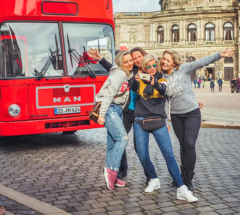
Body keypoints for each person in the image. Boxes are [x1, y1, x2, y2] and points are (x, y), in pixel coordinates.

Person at [159, 48, 234, 191]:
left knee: (189, 144)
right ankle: (181, 176)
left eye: (168, 60)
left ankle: (188, 179)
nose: (164, 62)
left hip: (191, 113)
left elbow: (202, 62)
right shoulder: (162, 78)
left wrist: (220, 55)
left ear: (174, 62)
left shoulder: (184, 68)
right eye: (163, 59)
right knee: (182, 145)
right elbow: (164, 101)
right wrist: (166, 120)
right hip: (176, 115)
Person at [133, 54, 198, 202]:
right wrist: (137, 80)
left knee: (169, 156)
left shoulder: (162, 79)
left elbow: (162, 89)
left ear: (157, 65)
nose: (151, 69)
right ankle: (154, 179)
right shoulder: (138, 78)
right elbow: (134, 88)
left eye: (153, 65)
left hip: (157, 121)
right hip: (140, 121)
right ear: (143, 67)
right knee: (142, 156)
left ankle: (182, 189)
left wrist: (152, 81)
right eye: (147, 66)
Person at [88, 47, 150, 183]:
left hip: (142, 113)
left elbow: (161, 88)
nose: (136, 60)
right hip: (126, 111)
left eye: (139, 57)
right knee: (120, 139)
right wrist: (101, 59)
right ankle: (120, 171)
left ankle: (149, 175)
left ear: (144, 56)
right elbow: (114, 68)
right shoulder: (128, 72)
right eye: (134, 58)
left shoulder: (149, 70)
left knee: (139, 146)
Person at [96, 50, 133, 190]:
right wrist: (101, 114)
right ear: (120, 63)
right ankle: (111, 172)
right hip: (110, 109)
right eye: (126, 62)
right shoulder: (120, 74)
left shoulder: (125, 74)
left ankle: (112, 174)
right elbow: (109, 95)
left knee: (112, 144)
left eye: (130, 60)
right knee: (123, 139)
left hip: (117, 110)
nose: (129, 63)